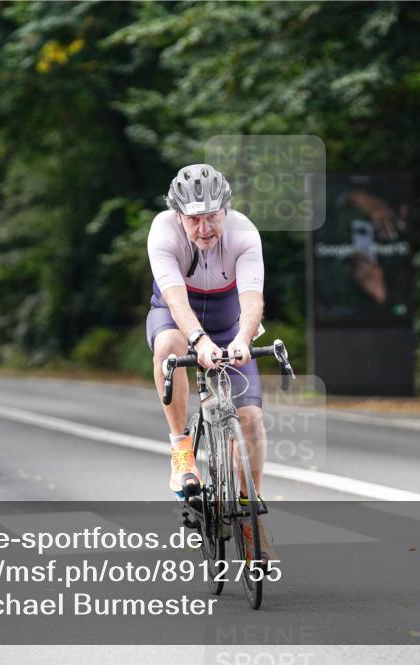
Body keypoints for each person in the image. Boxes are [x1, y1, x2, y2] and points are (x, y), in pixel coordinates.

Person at [146, 163, 274, 563]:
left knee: (250, 419)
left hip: (229, 323)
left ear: (226, 211)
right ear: (178, 216)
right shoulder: (163, 232)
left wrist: (241, 339)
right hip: (175, 317)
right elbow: (174, 299)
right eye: (194, 219)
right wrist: (197, 340)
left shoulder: (244, 232)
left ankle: (251, 516)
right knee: (169, 344)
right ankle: (181, 448)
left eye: (212, 217)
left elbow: (252, 299)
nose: (204, 228)